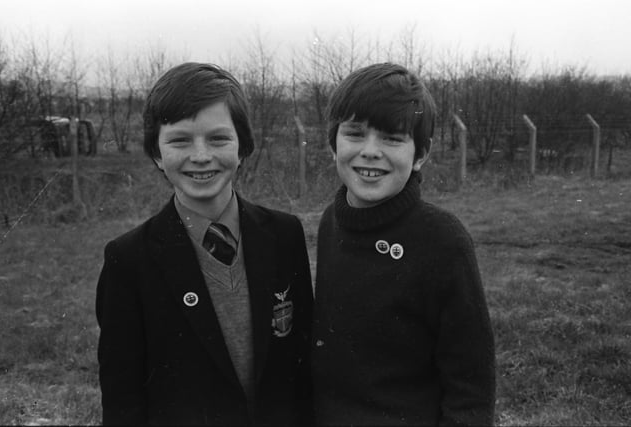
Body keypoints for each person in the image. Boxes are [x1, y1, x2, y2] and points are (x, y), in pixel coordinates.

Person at [96, 62, 314, 425]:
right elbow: (123, 397)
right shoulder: (129, 260)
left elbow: (301, 364)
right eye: (180, 140)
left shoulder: (285, 235)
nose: (200, 155)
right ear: (156, 153)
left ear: (243, 147)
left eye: (218, 138)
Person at [311, 63, 495, 426]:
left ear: (421, 154)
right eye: (355, 134)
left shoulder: (443, 240)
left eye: (392, 138)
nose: (370, 151)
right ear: (333, 144)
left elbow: (470, 382)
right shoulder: (330, 222)